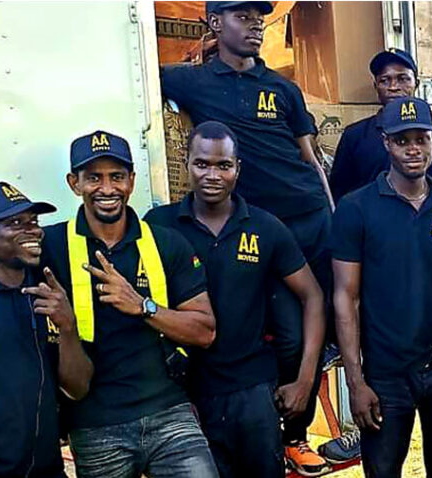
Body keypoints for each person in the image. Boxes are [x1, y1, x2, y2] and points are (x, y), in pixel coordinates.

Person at [161, 2, 335, 470]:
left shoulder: (283, 87)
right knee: (271, 333)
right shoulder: (188, 81)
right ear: (215, 23)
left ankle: (295, 435)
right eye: (242, 16)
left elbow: (311, 158)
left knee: (304, 338)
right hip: (254, 229)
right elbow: (128, 75)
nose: (255, 24)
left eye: (259, 18)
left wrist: (330, 212)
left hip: (307, 219)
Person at [145, 121, 326, 478]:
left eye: (223, 165)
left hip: (253, 391)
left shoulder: (265, 227)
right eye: (202, 164)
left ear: (237, 169)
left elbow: (314, 297)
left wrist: (305, 381)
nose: (212, 174)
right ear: (186, 163)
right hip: (183, 395)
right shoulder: (158, 226)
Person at [40, 130, 219, 478]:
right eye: (94, 178)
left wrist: (143, 306)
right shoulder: (50, 245)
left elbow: (205, 332)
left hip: (170, 413)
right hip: (95, 425)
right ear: (74, 183)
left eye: (117, 177)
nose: (107, 189)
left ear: (132, 181)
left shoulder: (166, 243)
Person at [331, 97, 432, 478]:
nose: (413, 149)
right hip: (385, 375)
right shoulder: (356, 208)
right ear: (386, 143)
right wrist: (355, 381)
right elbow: (346, 297)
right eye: (401, 140)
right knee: (382, 471)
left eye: (421, 139)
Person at [0, 183, 90, 477]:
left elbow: (78, 388)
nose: (33, 230)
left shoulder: (50, 296)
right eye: (15, 223)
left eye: (33, 221)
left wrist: (67, 328)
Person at [329, 48, 432, 204]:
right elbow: (339, 191)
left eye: (403, 79)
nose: (393, 87)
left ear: (416, 83)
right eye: (385, 80)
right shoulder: (355, 135)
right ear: (376, 86)